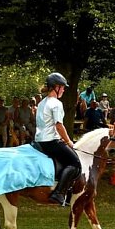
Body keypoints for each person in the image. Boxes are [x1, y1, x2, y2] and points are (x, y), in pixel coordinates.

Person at [35, 73, 81, 207]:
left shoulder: (42, 103)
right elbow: (59, 125)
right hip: (51, 141)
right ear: (56, 87)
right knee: (75, 163)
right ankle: (59, 193)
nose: (64, 90)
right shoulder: (56, 103)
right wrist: (68, 141)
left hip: (39, 141)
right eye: (62, 87)